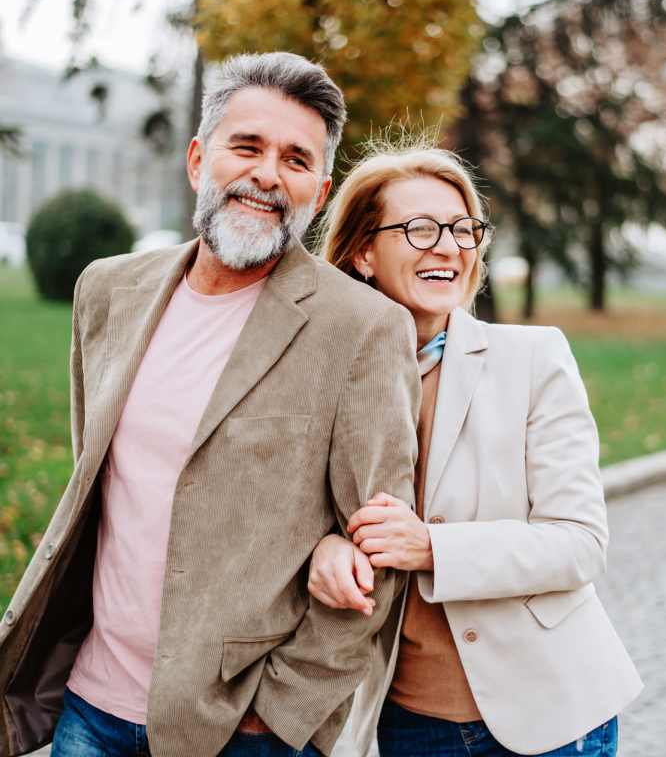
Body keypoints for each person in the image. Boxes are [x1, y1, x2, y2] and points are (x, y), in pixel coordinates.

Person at [0, 53, 420, 757]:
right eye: (247, 146)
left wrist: (281, 716)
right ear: (199, 159)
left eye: (295, 159)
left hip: (238, 730)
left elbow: (381, 551)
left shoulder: (362, 329)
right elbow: (96, 484)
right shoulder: (107, 290)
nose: (266, 174)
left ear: (318, 190)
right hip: (91, 709)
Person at [311, 144, 643, 757]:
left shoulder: (534, 358)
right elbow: (298, 513)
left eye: (464, 229)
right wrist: (326, 547)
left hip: (550, 717)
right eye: (420, 228)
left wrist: (430, 548)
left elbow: (579, 542)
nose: (448, 246)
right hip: (404, 722)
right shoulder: (321, 379)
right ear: (362, 253)